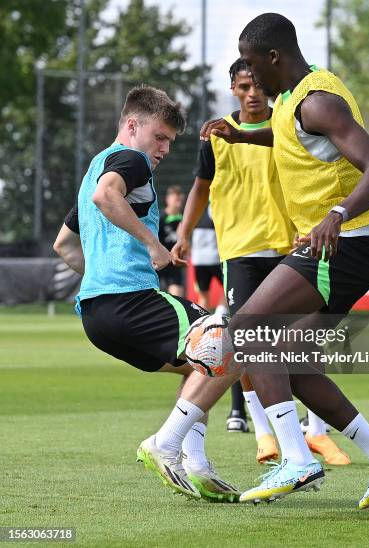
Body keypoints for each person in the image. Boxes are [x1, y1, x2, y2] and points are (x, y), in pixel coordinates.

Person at [198, 13, 369, 508]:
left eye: (253, 66)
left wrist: (335, 215)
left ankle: (296, 461)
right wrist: (242, 137)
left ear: (275, 57)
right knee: (288, 361)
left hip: (348, 241)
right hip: (350, 244)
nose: (250, 77)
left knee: (250, 329)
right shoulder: (293, 103)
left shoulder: (317, 100)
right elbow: (292, 137)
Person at [53, 84, 239, 503]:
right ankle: (168, 445)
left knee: (200, 365)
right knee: (232, 344)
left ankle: (198, 465)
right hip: (132, 299)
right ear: (132, 125)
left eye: (170, 142)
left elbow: (63, 245)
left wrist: (100, 277)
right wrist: (153, 246)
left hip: (96, 317)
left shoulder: (92, 171)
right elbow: (108, 195)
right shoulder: (131, 160)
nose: (164, 149)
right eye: (160, 137)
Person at [174, 58, 348, 465]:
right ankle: (267, 435)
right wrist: (184, 232)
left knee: (304, 339)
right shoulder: (216, 134)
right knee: (251, 344)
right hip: (239, 249)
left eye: (256, 85)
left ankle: (317, 433)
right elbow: (201, 188)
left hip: (291, 244)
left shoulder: (289, 124)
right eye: (243, 86)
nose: (252, 93)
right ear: (232, 89)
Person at [190, 204, 226, 314]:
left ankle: (201, 324)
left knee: (203, 295)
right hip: (215, 259)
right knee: (229, 289)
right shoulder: (215, 209)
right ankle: (220, 315)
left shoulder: (194, 212)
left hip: (198, 261)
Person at [158, 185, 185, 297]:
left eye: (180, 199)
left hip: (174, 263)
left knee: (177, 296)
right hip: (159, 262)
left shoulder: (183, 219)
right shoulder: (160, 218)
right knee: (155, 297)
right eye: (175, 199)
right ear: (167, 199)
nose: (178, 202)